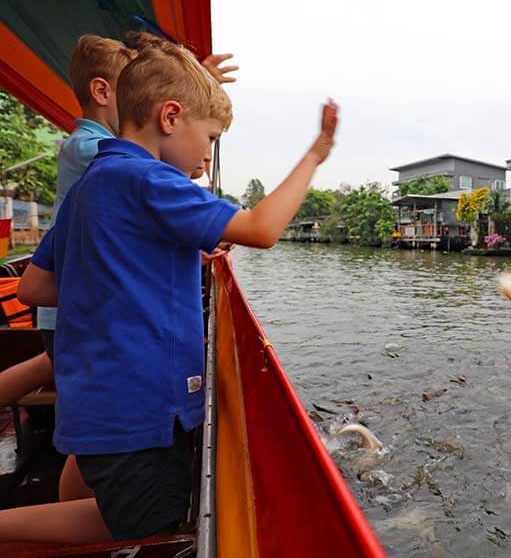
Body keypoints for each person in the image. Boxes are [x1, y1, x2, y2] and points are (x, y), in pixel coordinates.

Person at [5, 40, 338, 544]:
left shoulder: (93, 181)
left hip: (95, 404)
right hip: (140, 411)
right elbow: (263, 229)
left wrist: (130, 279)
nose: (207, 155)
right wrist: (315, 155)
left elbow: (36, 285)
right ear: (169, 117)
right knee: (152, 521)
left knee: (123, 506)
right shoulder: (150, 179)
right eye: (209, 137)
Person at [0, 33, 239, 505]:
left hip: (79, 306)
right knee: (95, 433)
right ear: (108, 93)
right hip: (92, 316)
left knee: (86, 438)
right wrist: (189, 111)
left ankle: (74, 514)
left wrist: (192, 100)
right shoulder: (106, 158)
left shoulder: (105, 159)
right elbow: (151, 179)